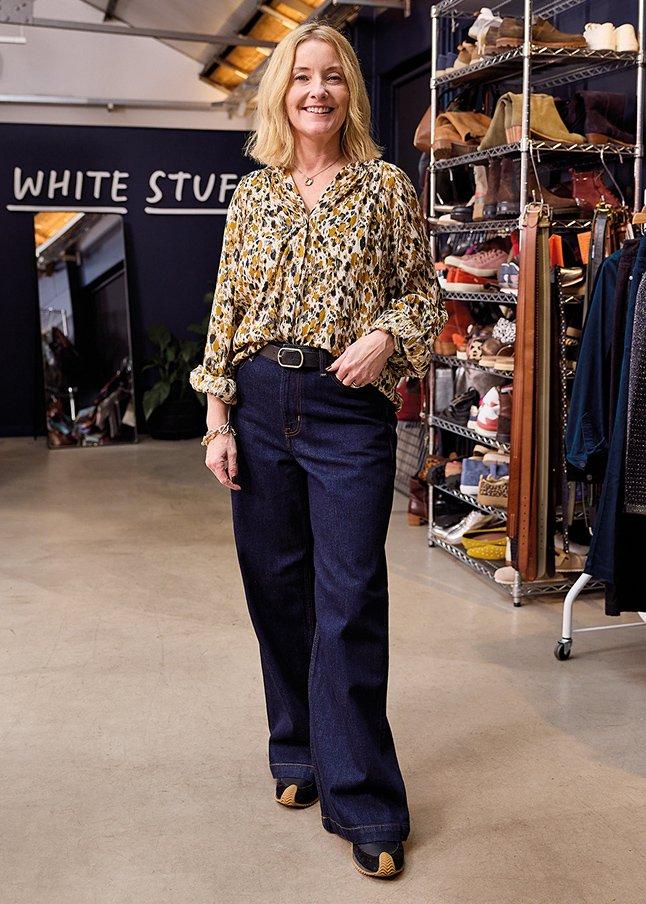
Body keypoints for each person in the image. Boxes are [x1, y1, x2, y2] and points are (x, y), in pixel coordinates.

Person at [190, 21, 445, 880]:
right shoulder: (253, 198)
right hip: (260, 404)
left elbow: (423, 299)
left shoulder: (384, 188)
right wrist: (218, 421)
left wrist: (382, 334)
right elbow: (225, 316)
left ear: (351, 93)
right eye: (302, 77)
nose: (317, 92)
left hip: (347, 414)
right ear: (280, 93)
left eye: (332, 77)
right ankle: (295, 750)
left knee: (348, 601)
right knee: (277, 590)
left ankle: (366, 801)